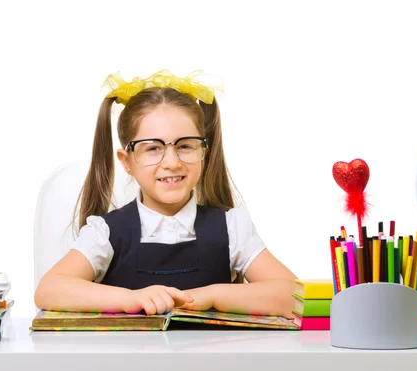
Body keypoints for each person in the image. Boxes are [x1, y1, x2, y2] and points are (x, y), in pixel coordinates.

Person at [34, 70, 296, 318]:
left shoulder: (232, 228)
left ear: (204, 151)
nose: (172, 162)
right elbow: (49, 290)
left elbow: (295, 296)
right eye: (152, 148)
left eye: (185, 146)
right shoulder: (105, 232)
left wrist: (214, 295)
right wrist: (132, 299)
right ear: (127, 161)